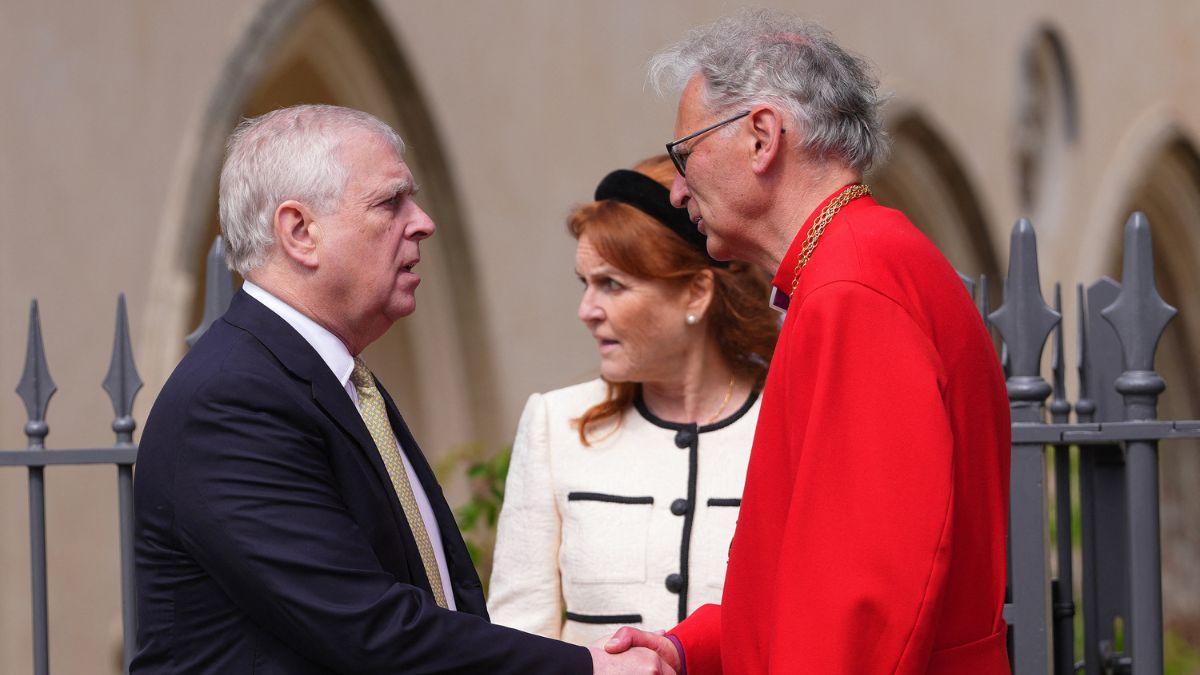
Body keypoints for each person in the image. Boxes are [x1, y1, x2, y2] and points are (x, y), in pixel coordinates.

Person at [132, 104, 672, 674]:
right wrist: (589, 669)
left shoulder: (330, 377)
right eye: (390, 203)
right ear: (300, 232)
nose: (423, 222)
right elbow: (365, 625)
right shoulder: (233, 401)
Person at [605, 10, 1012, 675]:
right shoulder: (857, 261)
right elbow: (814, 573)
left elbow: (866, 600)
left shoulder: (854, 283)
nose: (678, 190)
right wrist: (692, 647)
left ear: (763, 137)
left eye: (685, 154)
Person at [487, 155, 779, 645]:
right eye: (586, 284)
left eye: (612, 285)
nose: (586, 311)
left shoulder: (787, 424)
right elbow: (518, 635)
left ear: (695, 293)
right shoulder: (556, 424)